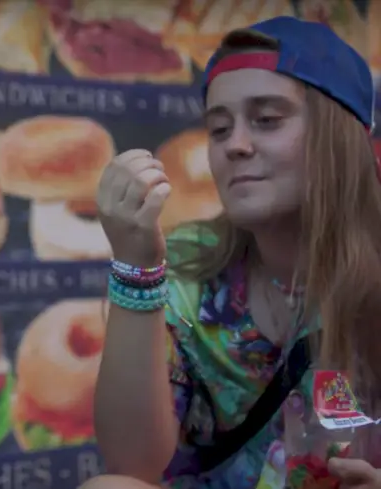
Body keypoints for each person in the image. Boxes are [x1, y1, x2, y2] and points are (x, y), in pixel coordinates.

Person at [82, 16, 381, 489]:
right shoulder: (186, 263)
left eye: (266, 120)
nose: (235, 146)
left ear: (340, 137)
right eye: (219, 129)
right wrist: (136, 267)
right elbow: (131, 464)